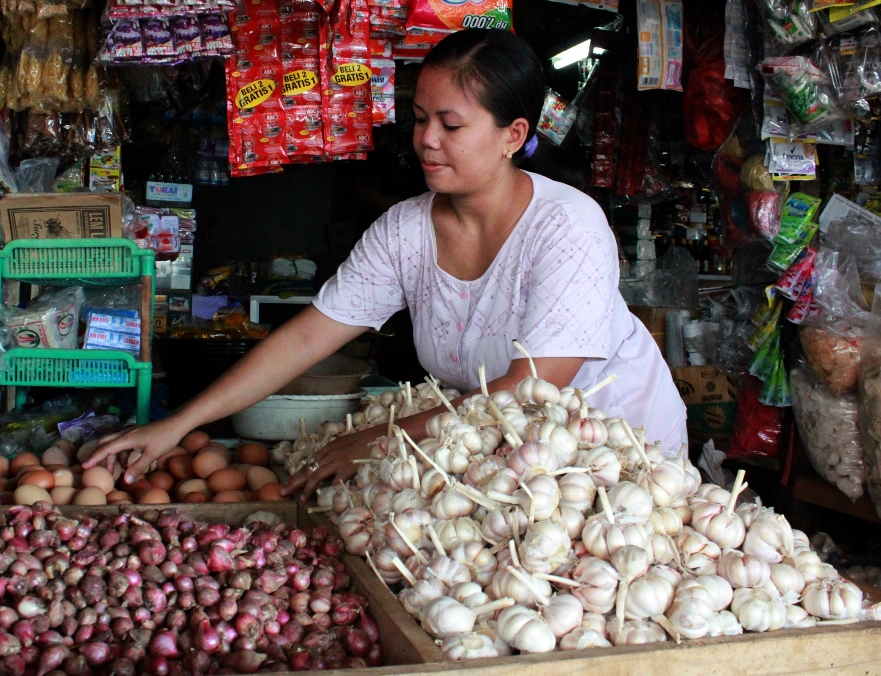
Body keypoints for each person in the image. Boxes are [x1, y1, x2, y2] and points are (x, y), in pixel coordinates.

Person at [86, 29, 686, 500]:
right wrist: (176, 424)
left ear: (513, 135)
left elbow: (526, 391)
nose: (426, 139)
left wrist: (379, 438)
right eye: (421, 118)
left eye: (451, 124)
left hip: (618, 457)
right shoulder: (407, 229)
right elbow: (307, 338)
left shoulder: (567, 226)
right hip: (512, 459)